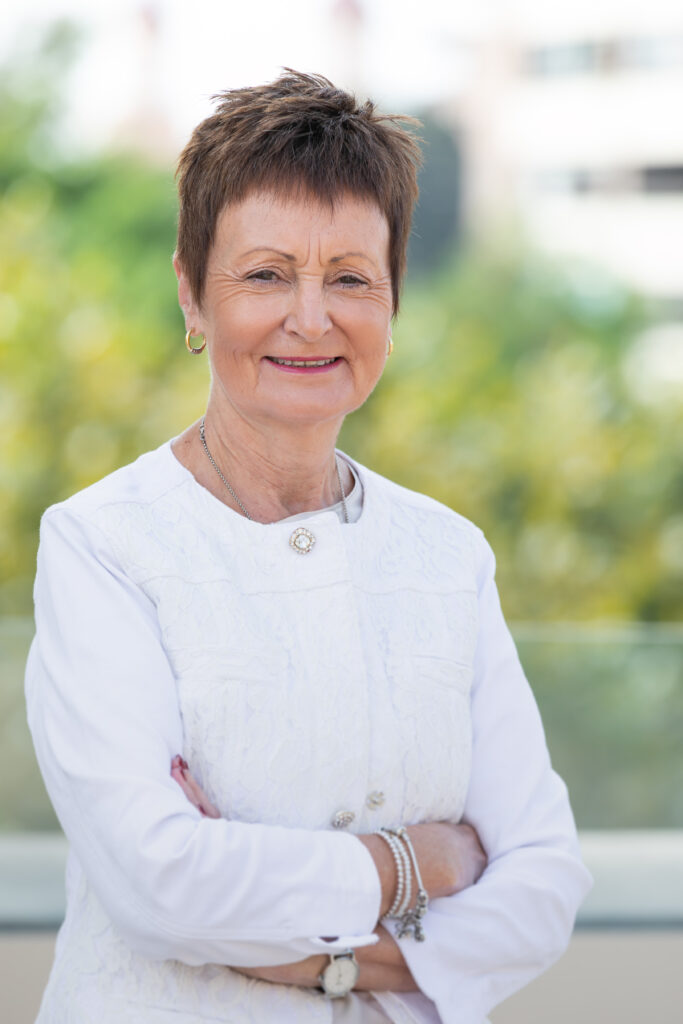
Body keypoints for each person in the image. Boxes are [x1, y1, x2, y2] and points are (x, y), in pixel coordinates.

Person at [25, 70, 593, 1024]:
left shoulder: (448, 556)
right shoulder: (103, 545)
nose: (311, 316)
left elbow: (541, 884)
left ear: (393, 302)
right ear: (191, 295)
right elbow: (160, 881)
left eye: (351, 279)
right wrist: (413, 863)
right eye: (265, 274)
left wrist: (324, 963)